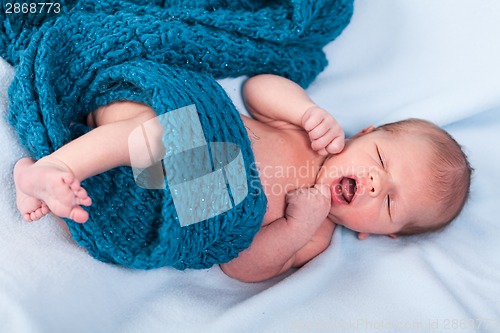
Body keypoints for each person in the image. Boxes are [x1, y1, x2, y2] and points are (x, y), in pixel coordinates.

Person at [13, 74, 472, 282]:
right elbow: (257, 87)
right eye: (380, 160)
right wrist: (306, 110)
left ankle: (48, 174)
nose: (374, 184)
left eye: (389, 203)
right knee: (159, 130)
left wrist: (295, 226)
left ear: (381, 235)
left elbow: (241, 264)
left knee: (129, 183)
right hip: (170, 131)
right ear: (365, 133)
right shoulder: (311, 132)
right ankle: (58, 167)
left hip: (179, 204)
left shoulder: (316, 235)